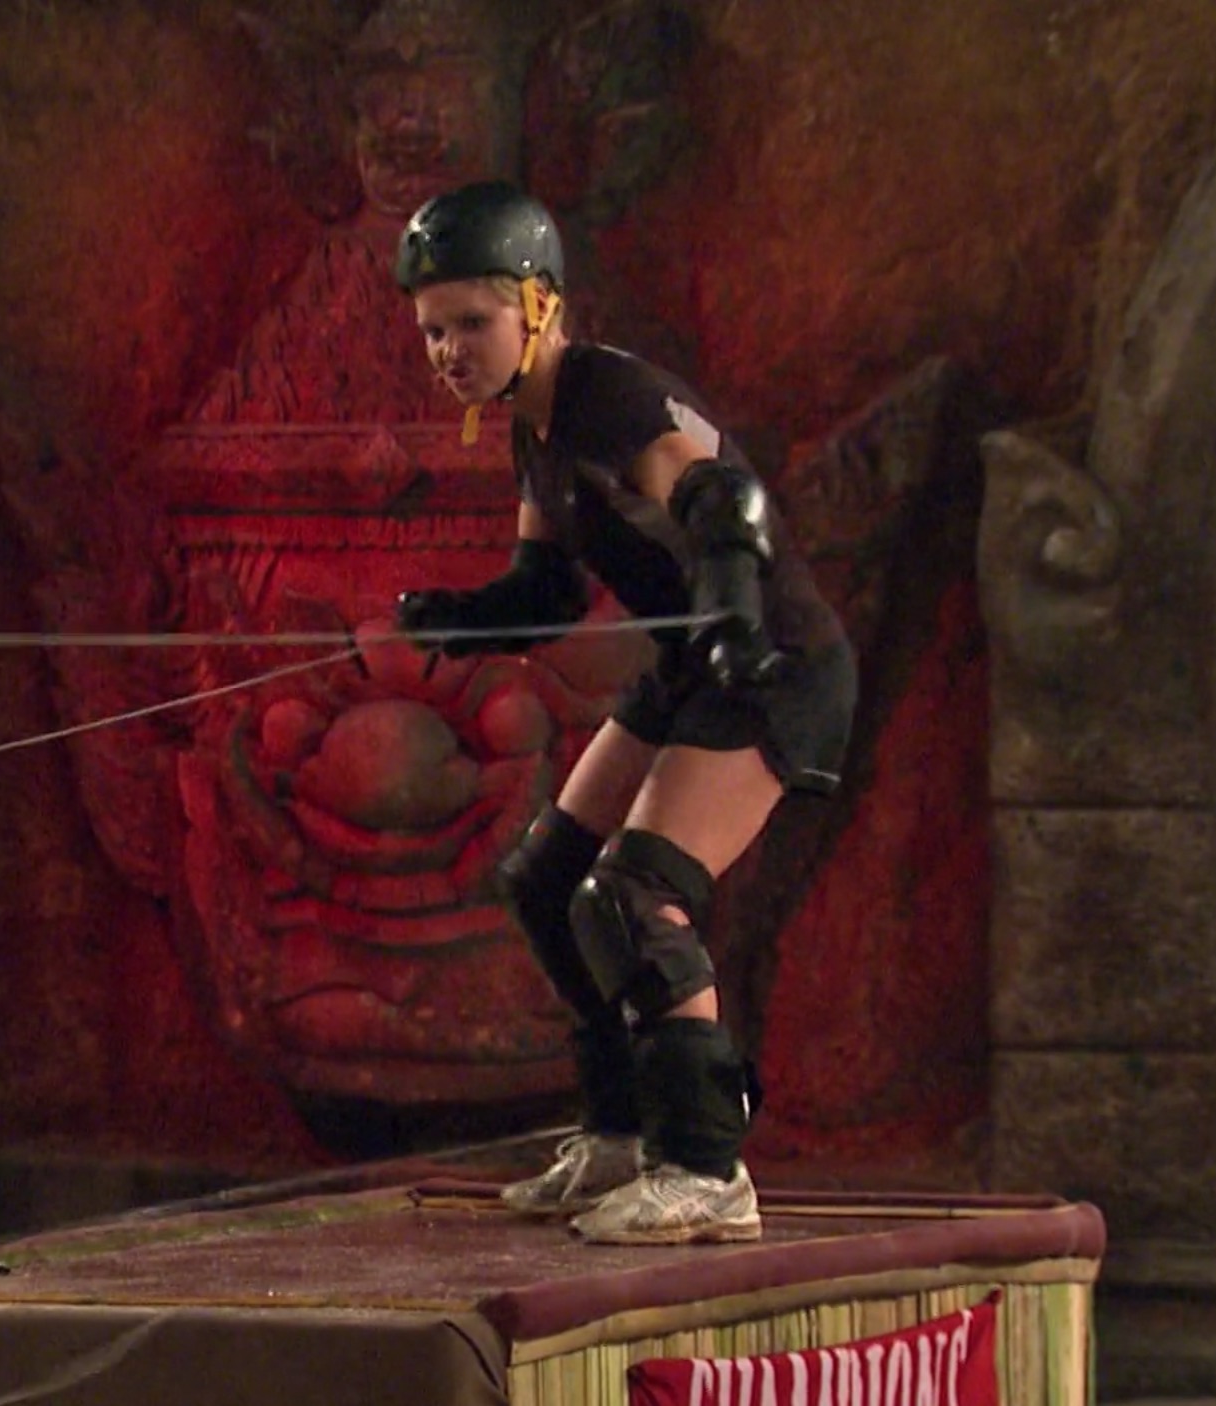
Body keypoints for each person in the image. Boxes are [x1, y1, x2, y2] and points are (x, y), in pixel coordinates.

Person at [391, 180, 856, 1245]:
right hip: (694, 665)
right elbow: (548, 589)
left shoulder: (604, 395)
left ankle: (702, 1167)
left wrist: (733, 617)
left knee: (637, 893)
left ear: (538, 305)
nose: (449, 350)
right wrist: (460, 617)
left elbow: (721, 500)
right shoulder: (537, 426)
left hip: (772, 667)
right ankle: (616, 1131)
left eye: (471, 322)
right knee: (548, 880)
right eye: (432, 330)